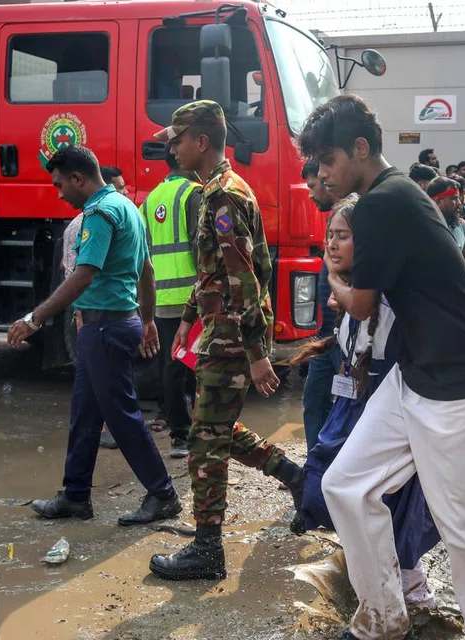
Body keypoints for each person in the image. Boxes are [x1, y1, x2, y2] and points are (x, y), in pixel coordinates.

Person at [299, 94, 465, 640]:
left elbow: (363, 305)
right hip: (416, 373)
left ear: (361, 149)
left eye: (327, 160)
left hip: (460, 387)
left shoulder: (381, 204)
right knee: (346, 486)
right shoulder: (394, 195)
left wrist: (335, 281)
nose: (322, 173)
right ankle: (382, 619)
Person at [149, 100, 305, 581]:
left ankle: (207, 549)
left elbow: (244, 281)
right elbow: (212, 274)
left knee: (203, 440)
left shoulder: (222, 197)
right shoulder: (214, 191)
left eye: (176, 140)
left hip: (233, 336)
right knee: (212, 427)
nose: (171, 149)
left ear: (200, 141)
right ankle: (295, 477)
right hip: (219, 332)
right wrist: (186, 323)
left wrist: (257, 354)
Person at [9, 145, 180, 526]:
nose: (59, 194)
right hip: (115, 322)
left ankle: (163, 493)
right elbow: (147, 271)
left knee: (121, 417)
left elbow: (83, 274)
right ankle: (75, 495)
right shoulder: (128, 208)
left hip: (104, 327)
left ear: (78, 178)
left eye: (59, 185)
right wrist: (147, 319)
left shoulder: (99, 213)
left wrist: (34, 319)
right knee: (85, 413)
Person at [290, 195, 442, 610]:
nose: (332, 245)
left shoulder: (385, 299)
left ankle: (405, 589)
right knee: (336, 489)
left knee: (392, 503)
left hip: (385, 410)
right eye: (329, 236)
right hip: (352, 407)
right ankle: (374, 578)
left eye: (344, 236)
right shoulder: (349, 295)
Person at [140, 143, 203, 459]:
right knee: (191, 365)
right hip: (191, 299)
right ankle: (183, 434)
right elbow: (202, 245)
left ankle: (178, 426)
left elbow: (143, 251)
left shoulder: (151, 199)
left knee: (172, 365)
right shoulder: (194, 193)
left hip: (161, 298)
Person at [61, 167, 129, 451]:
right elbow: (73, 276)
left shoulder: (118, 216)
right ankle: (111, 430)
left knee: (98, 385)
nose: (125, 193)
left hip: (109, 319)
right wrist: (80, 323)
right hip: (92, 320)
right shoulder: (83, 225)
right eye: (120, 187)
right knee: (98, 384)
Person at [300, 158, 342, 452]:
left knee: (348, 405)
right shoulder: (335, 216)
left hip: (345, 334)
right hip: (326, 335)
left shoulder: (351, 214)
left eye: (313, 185)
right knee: (314, 400)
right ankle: (317, 465)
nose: (312, 194)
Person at [428, 177, 465, 272]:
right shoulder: (424, 228)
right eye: (454, 198)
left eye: (459, 198)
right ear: (438, 201)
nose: (459, 203)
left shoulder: (461, 226)